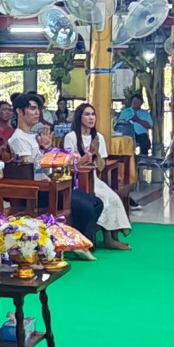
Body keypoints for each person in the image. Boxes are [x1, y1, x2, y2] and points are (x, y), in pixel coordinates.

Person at [62, 103, 131, 248]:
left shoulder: (98, 137)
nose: (91, 118)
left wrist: (96, 154)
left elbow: (101, 166)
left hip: (93, 179)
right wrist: (88, 154)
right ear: (79, 117)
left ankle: (113, 237)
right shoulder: (71, 137)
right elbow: (68, 165)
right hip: (76, 180)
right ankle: (106, 238)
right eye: (87, 114)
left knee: (113, 198)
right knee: (103, 199)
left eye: (93, 114)